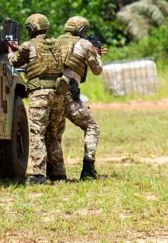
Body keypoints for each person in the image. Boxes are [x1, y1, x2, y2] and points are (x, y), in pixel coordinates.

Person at [8, 13, 67, 184]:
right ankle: (59, 174)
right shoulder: (56, 43)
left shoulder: (29, 45)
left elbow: (14, 62)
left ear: (31, 29)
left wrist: (10, 51)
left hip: (40, 93)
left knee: (37, 133)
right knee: (53, 135)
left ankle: (39, 174)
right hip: (58, 93)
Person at [56, 16, 107, 180]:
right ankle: (88, 170)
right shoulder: (85, 44)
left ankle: (56, 174)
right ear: (82, 31)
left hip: (53, 92)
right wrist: (96, 53)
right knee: (92, 127)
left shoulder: (56, 41)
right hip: (69, 93)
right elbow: (97, 70)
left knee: (54, 132)